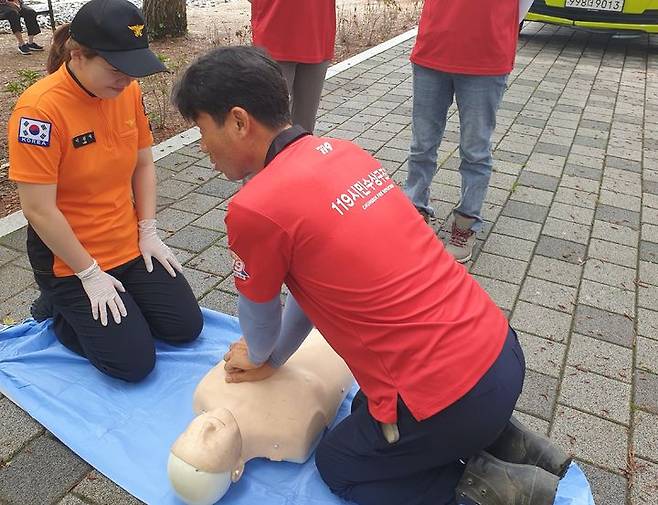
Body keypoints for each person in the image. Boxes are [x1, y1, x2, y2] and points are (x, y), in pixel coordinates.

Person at [172, 46, 570, 505]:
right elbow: (310, 289)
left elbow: (258, 329)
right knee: (366, 408)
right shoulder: (344, 153)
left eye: (202, 130)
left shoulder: (255, 207)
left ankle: (499, 486)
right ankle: (509, 440)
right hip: (501, 353)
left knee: (340, 463)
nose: (202, 147)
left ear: (239, 121)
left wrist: (261, 355)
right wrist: (276, 357)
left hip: (450, 401)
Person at [8, 0, 203, 382]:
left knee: (184, 328)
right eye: (117, 70)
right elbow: (38, 210)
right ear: (77, 55)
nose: (127, 80)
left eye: (133, 72)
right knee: (132, 363)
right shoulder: (39, 112)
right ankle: (59, 310)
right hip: (69, 259)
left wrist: (148, 230)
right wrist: (89, 273)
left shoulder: (123, 91)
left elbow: (143, 164)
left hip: (126, 241)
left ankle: (118, 300)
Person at [168, 329, 354, 505]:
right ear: (237, 470)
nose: (204, 428)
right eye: (208, 446)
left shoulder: (203, 393)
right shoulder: (293, 435)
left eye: (187, 436)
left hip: (300, 321)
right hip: (343, 340)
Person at [404, 0, 519, 263]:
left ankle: (466, 222)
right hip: (433, 49)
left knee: (475, 150)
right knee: (422, 144)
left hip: (487, 55)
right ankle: (415, 210)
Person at [248, 0, 335, 132]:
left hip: (317, 33)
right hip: (274, 36)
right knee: (269, 121)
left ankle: (298, 152)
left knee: (305, 125)